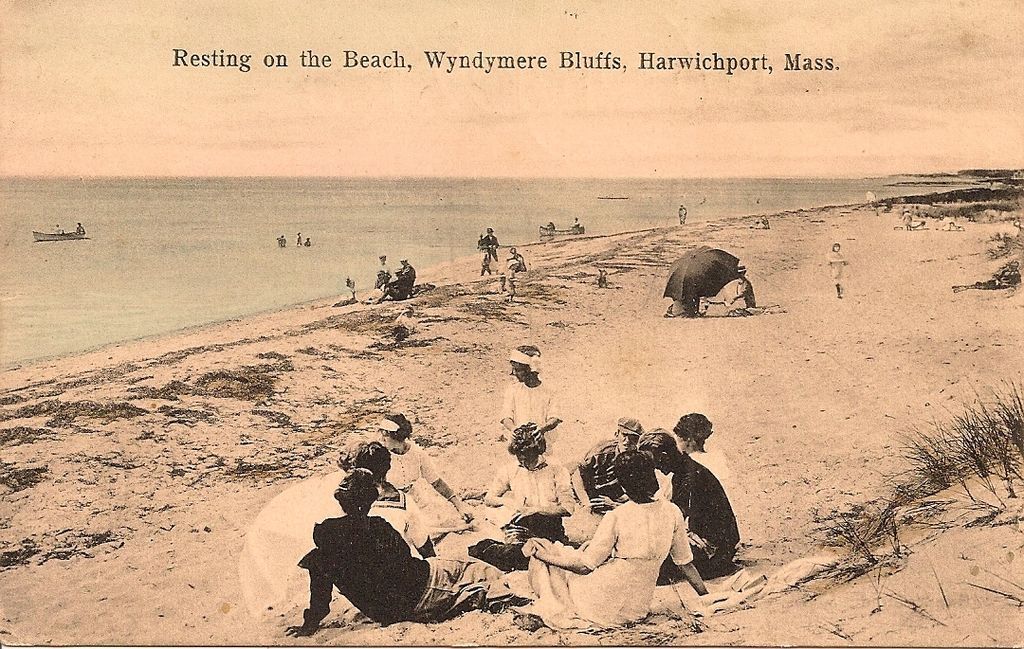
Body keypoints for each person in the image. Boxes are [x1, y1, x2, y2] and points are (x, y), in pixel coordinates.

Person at [286, 469, 522, 636]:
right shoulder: (379, 526)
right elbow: (407, 565)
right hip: (418, 594)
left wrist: (310, 624)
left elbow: (320, 591)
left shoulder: (325, 535)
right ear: (369, 501)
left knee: (463, 568)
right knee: (472, 567)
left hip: (382, 611)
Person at [520, 451, 708, 630]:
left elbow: (584, 567)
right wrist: (705, 596)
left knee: (549, 553)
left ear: (624, 485)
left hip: (600, 604)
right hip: (637, 608)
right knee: (569, 554)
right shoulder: (672, 512)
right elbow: (685, 563)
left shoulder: (617, 515)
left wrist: (542, 556)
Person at [469, 424, 574, 572]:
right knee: (518, 555)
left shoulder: (556, 470)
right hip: (520, 526)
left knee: (541, 559)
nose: (523, 463)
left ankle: (490, 549)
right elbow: (489, 498)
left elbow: (568, 509)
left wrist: (536, 510)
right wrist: (507, 501)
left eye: (527, 459)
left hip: (549, 526)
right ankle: (492, 549)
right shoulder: (511, 469)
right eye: (520, 459)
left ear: (537, 452)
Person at [637, 430, 740, 580]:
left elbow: (673, 520)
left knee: (649, 565)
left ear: (664, 457)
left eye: (655, 462)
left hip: (716, 550)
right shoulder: (685, 470)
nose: (655, 468)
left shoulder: (690, 477)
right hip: (718, 541)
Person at [376, 414, 474, 527]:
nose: (381, 439)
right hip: (389, 501)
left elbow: (436, 482)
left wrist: (459, 506)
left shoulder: (417, 453)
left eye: (386, 435)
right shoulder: (380, 454)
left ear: (397, 436)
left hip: (413, 498)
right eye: (381, 433)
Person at [353, 442, 435, 559]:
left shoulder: (347, 498)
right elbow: (424, 547)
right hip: (393, 570)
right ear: (387, 468)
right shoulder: (404, 501)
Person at [572, 417, 644, 516]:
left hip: (617, 504)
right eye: (624, 435)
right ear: (617, 434)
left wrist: (617, 504)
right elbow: (577, 476)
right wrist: (586, 503)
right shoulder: (601, 453)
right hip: (593, 500)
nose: (627, 441)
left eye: (633, 438)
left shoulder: (639, 459)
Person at [500, 346, 561, 450]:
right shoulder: (513, 390)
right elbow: (506, 416)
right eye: (513, 369)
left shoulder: (549, 390)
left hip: (544, 445)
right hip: (519, 444)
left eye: (518, 370)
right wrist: (513, 429)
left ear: (530, 370)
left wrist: (542, 429)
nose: (514, 373)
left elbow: (554, 417)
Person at [952, 260, 1021, 293]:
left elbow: (1015, 284)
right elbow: (999, 277)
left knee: (982, 286)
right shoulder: (1006, 271)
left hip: (1001, 285)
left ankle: (964, 288)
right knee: (981, 284)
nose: (1012, 268)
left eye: (1013, 266)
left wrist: (1004, 283)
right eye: (1011, 266)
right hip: (997, 282)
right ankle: (964, 287)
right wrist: (997, 279)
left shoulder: (1016, 274)